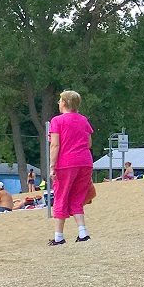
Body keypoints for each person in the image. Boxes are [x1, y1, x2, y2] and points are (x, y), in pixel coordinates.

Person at [48, 89, 94, 245]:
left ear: (64, 103)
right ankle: (83, 232)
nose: (59, 103)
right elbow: (88, 143)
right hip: (85, 162)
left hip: (66, 163)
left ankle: (59, 236)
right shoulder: (83, 120)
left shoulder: (57, 121)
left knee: (60, 197)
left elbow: (55, 145)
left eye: (60, 101)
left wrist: (52, 166)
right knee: (77, 198)